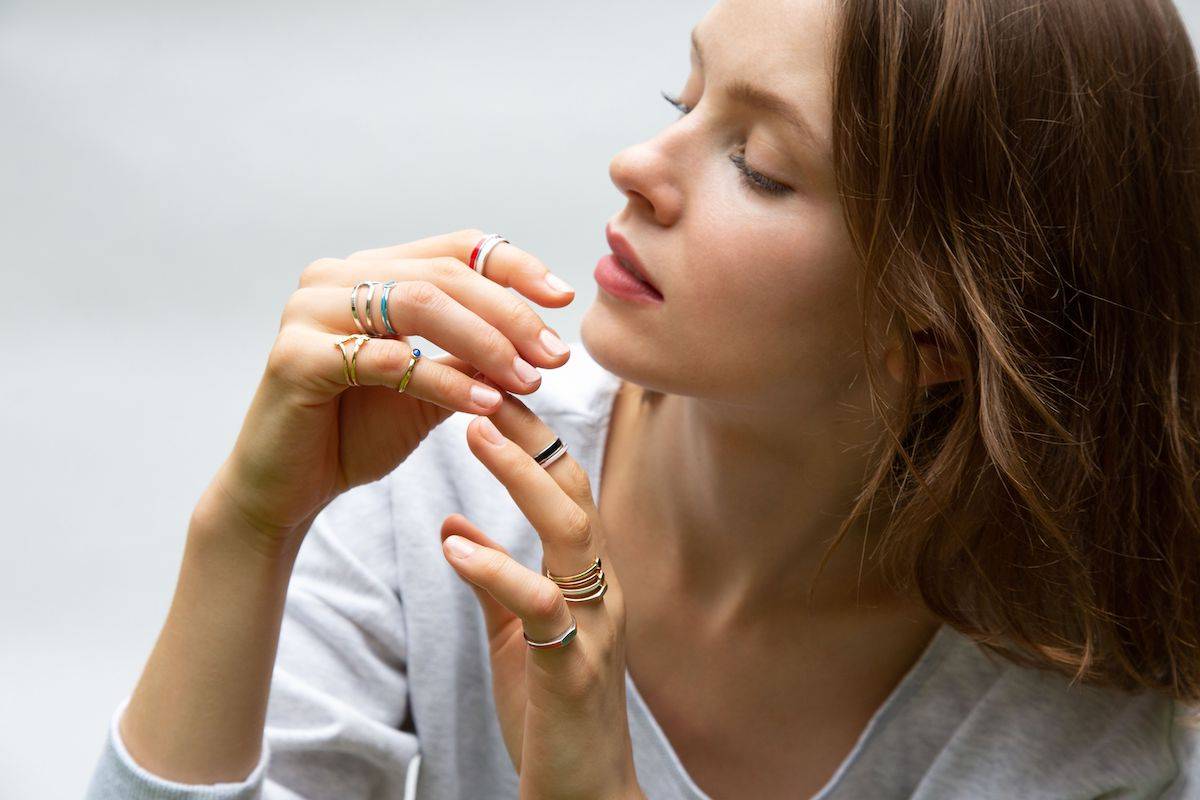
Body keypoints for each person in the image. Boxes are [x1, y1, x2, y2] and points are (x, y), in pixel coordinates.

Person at [84, 0, 1200, 797]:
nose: (635, 163)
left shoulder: (1080, 720)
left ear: (943, 328)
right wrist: (244, 528)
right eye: (684, 95)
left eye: (757, 161)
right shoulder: (445, 459)